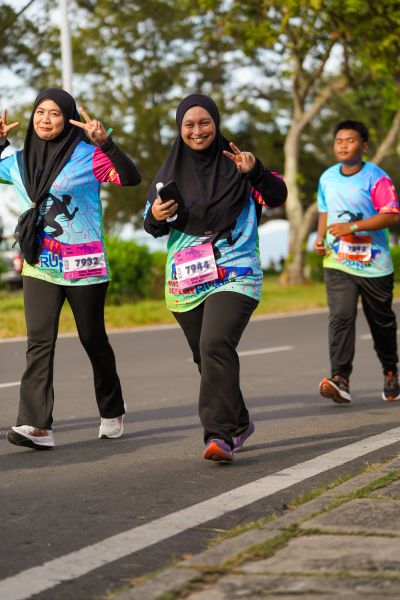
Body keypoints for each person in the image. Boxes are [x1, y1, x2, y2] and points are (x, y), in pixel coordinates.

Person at [144, 94, 287, 462]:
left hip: (237, 272)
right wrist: (157, 215)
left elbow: (277, 196)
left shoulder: (241, 164)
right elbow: (152, 225)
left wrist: (255, 172)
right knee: (206, 357)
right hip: (187, 278)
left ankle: (218, 435)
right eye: (189, 124)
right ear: (179, 129)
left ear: (217, 124)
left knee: (214, 343)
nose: (197, 130)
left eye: (204, 122)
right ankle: (238, 421)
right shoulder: (168, 174)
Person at [0, 88, 141, 450]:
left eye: (55, 114)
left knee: (92, 339)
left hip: (84, 266)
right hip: (41, 265)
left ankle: (112, 408)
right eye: (40, 112)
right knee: (38, 341)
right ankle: (37, 425)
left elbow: (131, 177)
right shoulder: (17, 161)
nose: (46, 120)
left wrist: (106, 144)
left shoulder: (88, 156)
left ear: (68, 119)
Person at [314, 119, 400, 405]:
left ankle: (390, 370)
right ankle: (340, 379)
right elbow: (325, 211)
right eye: (339, 141)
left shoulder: (376, 178)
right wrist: (320, 238)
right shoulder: (327, 177)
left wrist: (352, 227)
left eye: (349, 141)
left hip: (374, 264)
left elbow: (391, 215)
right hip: (338, 262)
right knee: (340, 317)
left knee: (381, 323)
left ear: (363, 146)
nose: (343, 146)